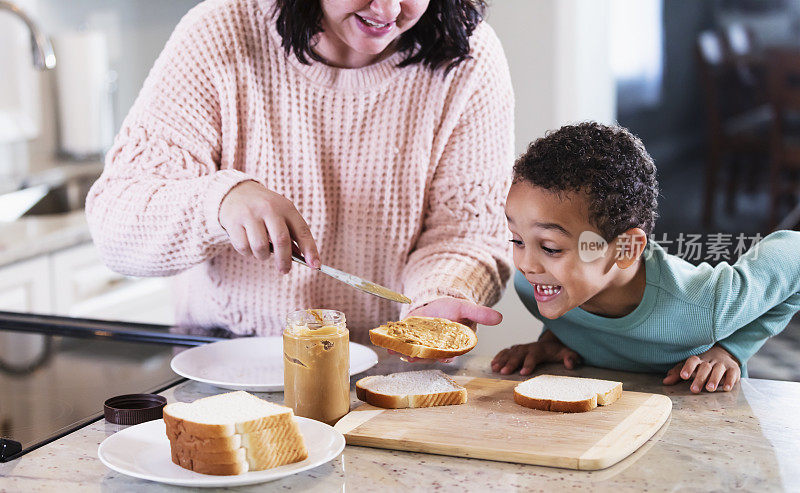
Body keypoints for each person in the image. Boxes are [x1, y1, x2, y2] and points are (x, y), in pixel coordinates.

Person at [86, 0, 515, 342]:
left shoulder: (470, 59)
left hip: (386, 367)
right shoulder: (219, 32)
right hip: (227, 358)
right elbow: (116, 226)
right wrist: (219, 202)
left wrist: (437, 296)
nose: (386, 10)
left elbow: (466, 233)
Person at [492, 122, 800, 393]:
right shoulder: (532, 288)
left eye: (550, 248)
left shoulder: (704, 304)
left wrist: (731, 349)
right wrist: (553, 343)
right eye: (517, 240)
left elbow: (795, 254)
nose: (526, 264)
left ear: (625, 249)